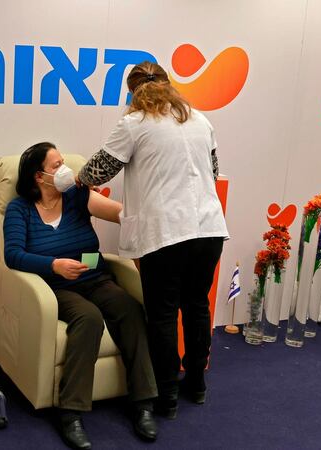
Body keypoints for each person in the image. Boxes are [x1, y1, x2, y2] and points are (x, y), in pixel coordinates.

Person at [77, 61, 229, 419]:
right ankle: (197, 383)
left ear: (132, 93)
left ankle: (167, 396)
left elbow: (97, 170)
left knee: (162, 315)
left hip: (166, 234)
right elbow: (214, 170)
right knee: (196, 307)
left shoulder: (133, 124)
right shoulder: (199, 119)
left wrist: (78, 178)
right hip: (208, 229)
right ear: (168, 85)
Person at [3, 142, 158, 449]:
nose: (65, 170)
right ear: (38, 176)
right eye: (56, 165)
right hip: (54, 287)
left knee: (129, 308)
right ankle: (70, 413)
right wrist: (54, 265)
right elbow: (13, 255)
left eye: (64, 162)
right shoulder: (20, 209)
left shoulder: (77, 196)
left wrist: (147, 210)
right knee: (88, 318)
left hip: (94, 277)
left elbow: (122, 214)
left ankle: (143, 403)